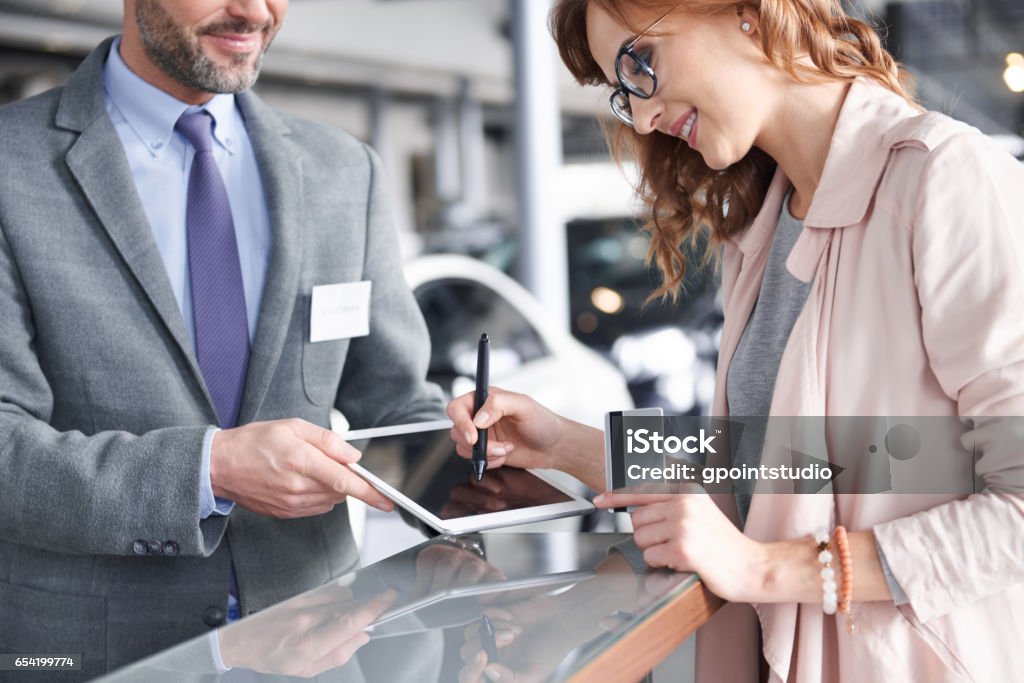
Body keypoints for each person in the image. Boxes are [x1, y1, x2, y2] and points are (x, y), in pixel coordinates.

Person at [449, 1, 1024, 681]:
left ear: (749, 13)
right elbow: (781, 468)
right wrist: (563, 444)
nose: (639, 117)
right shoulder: (764, 228)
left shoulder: (942, 177)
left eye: (641, 63)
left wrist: (759, 566)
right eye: (621, 90)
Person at [0, 0, 443, 677]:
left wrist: (469, 464)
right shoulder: (11, 165)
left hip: (319, 642)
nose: (253, 11)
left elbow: (396, 405)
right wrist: (211, 470)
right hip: (87, 654)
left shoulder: (344, 171)